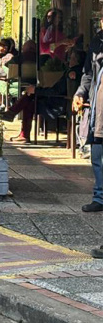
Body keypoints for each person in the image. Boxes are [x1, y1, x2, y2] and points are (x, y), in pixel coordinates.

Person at [73, 15, 103, 227]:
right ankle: (99, 197)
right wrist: (81, 92)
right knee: (97, 155)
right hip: (99, 107)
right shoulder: (98, 41)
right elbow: (88, 73)